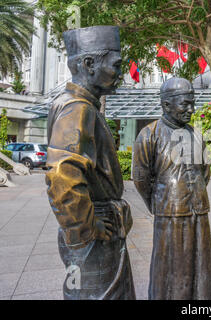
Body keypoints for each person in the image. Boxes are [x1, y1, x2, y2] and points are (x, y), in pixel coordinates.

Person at [45, 26, 135, 300]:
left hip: (96, 230)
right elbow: (61, 176)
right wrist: (88, 227)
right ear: (89, 64)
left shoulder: (75, 104)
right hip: (96, 236)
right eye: (116, 65)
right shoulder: (78, 108)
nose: (120, 73)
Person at [133, 77, 211, 300]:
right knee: (170, 265)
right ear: (166, 105)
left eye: (192, 103)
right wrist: (160, 201)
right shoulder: (149, 134)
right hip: (170, 212)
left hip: (199, 209)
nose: (191, 109)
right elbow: (140, 177)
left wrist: (194, 193)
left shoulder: (196, 135)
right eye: (185, 104)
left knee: (200, 264)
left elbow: (204, 172)